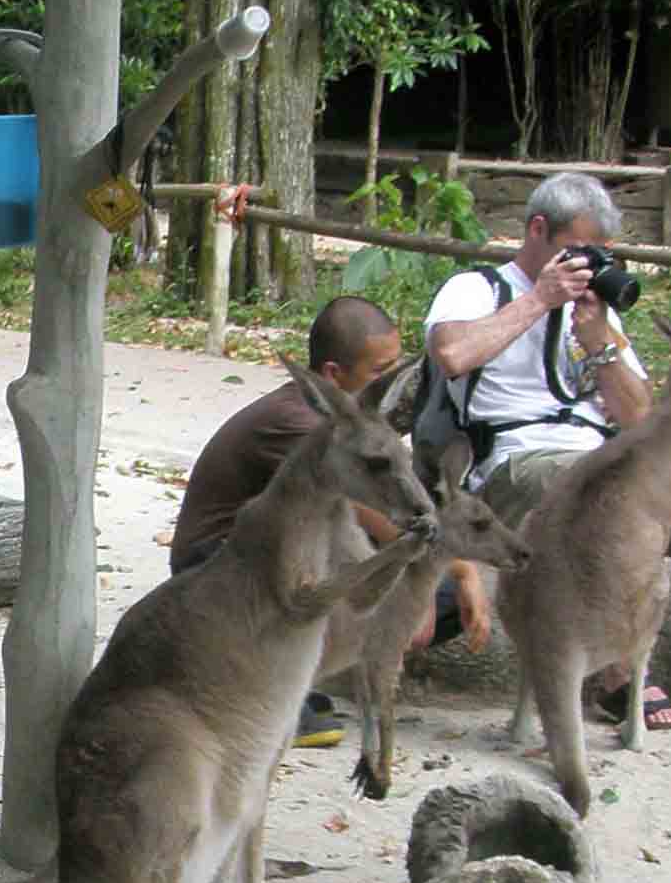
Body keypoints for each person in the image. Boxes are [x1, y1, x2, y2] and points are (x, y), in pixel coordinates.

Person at [424, 170, 671, 731]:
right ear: (539, 230)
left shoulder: (599, 317)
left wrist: (600, 346)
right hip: (515, 462)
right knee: (604, 503)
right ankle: (617, 680)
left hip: (603, 456)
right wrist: (539, 300)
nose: (590, 269)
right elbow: (453, 354)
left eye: (601, 256)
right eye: (579, 252)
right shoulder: (478, 288)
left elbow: (641, 420)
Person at [168, 295, 490, 746]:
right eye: (380, 372)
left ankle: (303, 675)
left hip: (301, 552)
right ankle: (270, 688)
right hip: (222, 569)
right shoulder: (305, 425)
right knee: (427, 585)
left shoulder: (356, 424)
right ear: (334, 377)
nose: (392, 385)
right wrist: (455, 566)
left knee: (445, 596)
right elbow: (380, 518)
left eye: (397, 369)